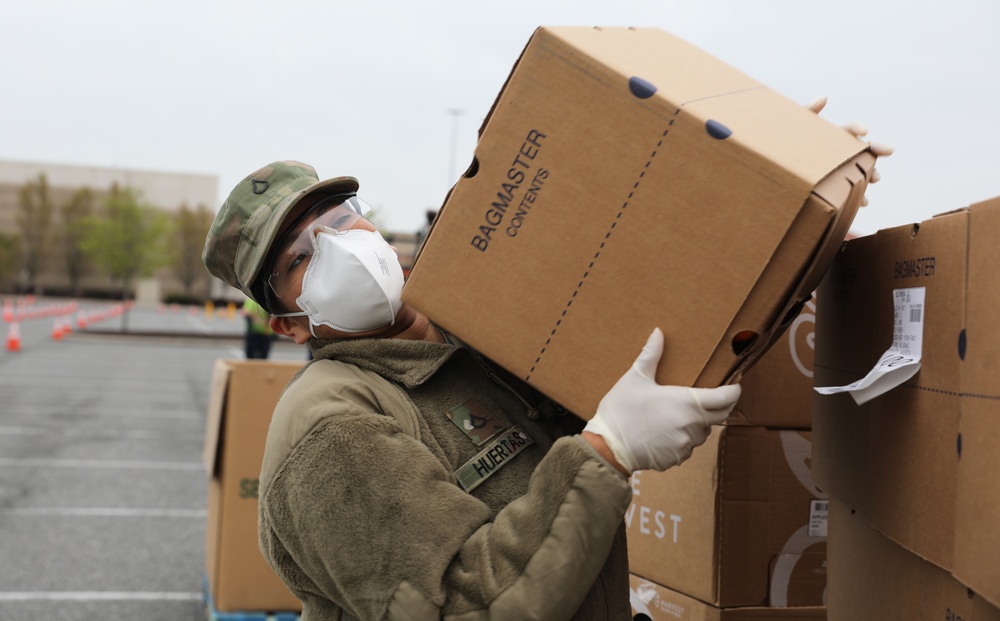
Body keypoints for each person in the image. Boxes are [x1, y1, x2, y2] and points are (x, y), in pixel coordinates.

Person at [201, 119, 888, 618]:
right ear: (288, 322)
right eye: (299, 258)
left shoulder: (474, 331)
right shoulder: (331, 426)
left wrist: (776, 203)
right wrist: (608, 450)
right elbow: (462, 605)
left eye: (340, 217)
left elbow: (643, 299)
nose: (338, 247)